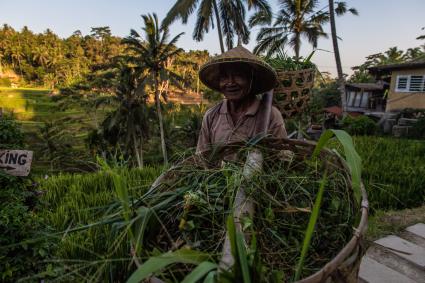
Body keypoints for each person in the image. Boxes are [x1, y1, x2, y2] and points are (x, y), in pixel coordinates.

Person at [196, 46, 287, 154]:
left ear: (251, 79)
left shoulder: (271, 115)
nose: (230, 83)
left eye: (238, 75)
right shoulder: (211, 116)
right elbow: (202, 158)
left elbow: (283, 159)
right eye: (224, 77)